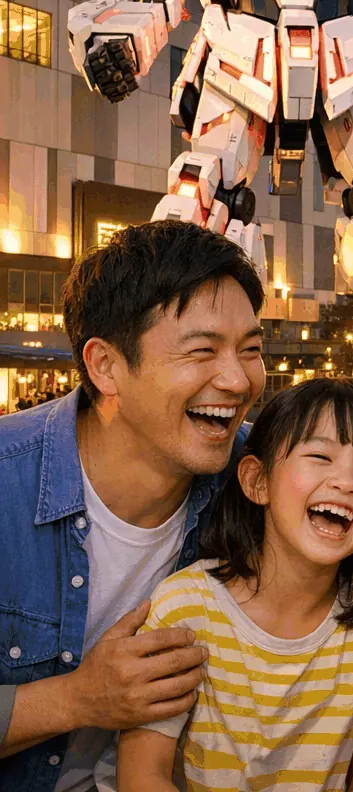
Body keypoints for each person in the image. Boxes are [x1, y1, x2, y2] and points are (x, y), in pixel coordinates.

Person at [0, 221, 266, 792]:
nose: (238, 379)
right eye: (203, 351)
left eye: (251, 350)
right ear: (106, 366)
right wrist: (77, 699)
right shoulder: (6, 481)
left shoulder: (263, 481)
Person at [117, 377, 353, 791]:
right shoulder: (186, 608)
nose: (346, 482)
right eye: (320, 456)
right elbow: (141, 775)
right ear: (257, 481)